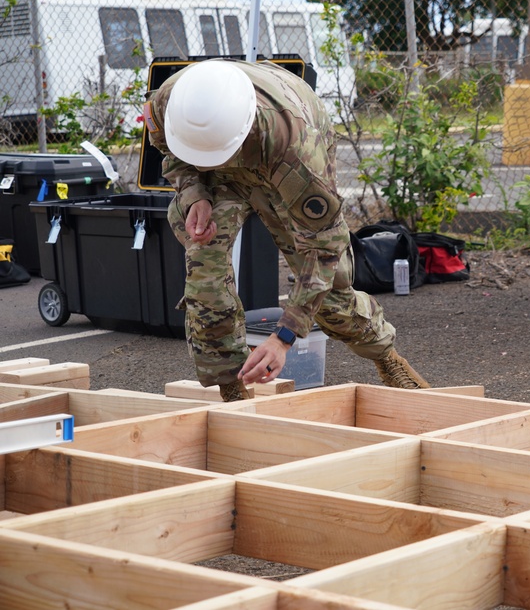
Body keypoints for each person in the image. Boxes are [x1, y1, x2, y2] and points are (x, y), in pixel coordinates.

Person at [145, 58, 430, 401]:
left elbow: (323, 250)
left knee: (330, 296)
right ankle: (231, 386)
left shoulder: (295, 151)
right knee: (204, 272)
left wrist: (284, 337)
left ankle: (386, 356)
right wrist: (194, 193)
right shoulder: (170, 101)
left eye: (213, 157)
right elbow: (169, 150)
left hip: (276, 154)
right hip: (222, 173)